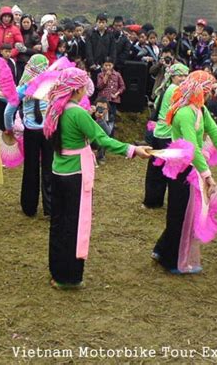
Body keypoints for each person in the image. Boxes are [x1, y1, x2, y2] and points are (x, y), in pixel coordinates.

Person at [43, 67, 150, 288]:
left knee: (58, 222)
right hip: (75, 174)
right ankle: (69, 276)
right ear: (77, 88)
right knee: (74, 223)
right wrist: (132, 149)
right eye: (84, 86)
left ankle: (57, 270)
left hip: (58, 169)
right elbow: (102, 138)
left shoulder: (56, 108)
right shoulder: (77, 113)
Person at [152, 71, 217, 274]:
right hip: (182, 168)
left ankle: (162, 249)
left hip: (192, 166)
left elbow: (214, 131)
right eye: (207, 91)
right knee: (179, 213)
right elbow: (192, 147)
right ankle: (171, 259)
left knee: (184, 211)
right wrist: (207, 175)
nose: (209, 96)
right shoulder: (185, 113)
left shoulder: (200, 109)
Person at [4, 55, 52, 217]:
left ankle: (29, 207)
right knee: (49, 168)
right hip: (48, 132)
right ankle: (50, 207)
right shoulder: (51, 85)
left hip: (30, 132)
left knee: (30, 169)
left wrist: (9, 129)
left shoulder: (23, 88)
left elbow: (8, 111)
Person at [142, 63, 189, 209]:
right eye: (180, 75)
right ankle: (173, 203)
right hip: (168, 134)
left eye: (185, 76)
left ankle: (152, 201)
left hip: (159, 132)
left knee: (155, 169)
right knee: (170, 170)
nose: (183, 78)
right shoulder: (176, 89)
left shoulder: (166, 88)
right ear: (172, 76)